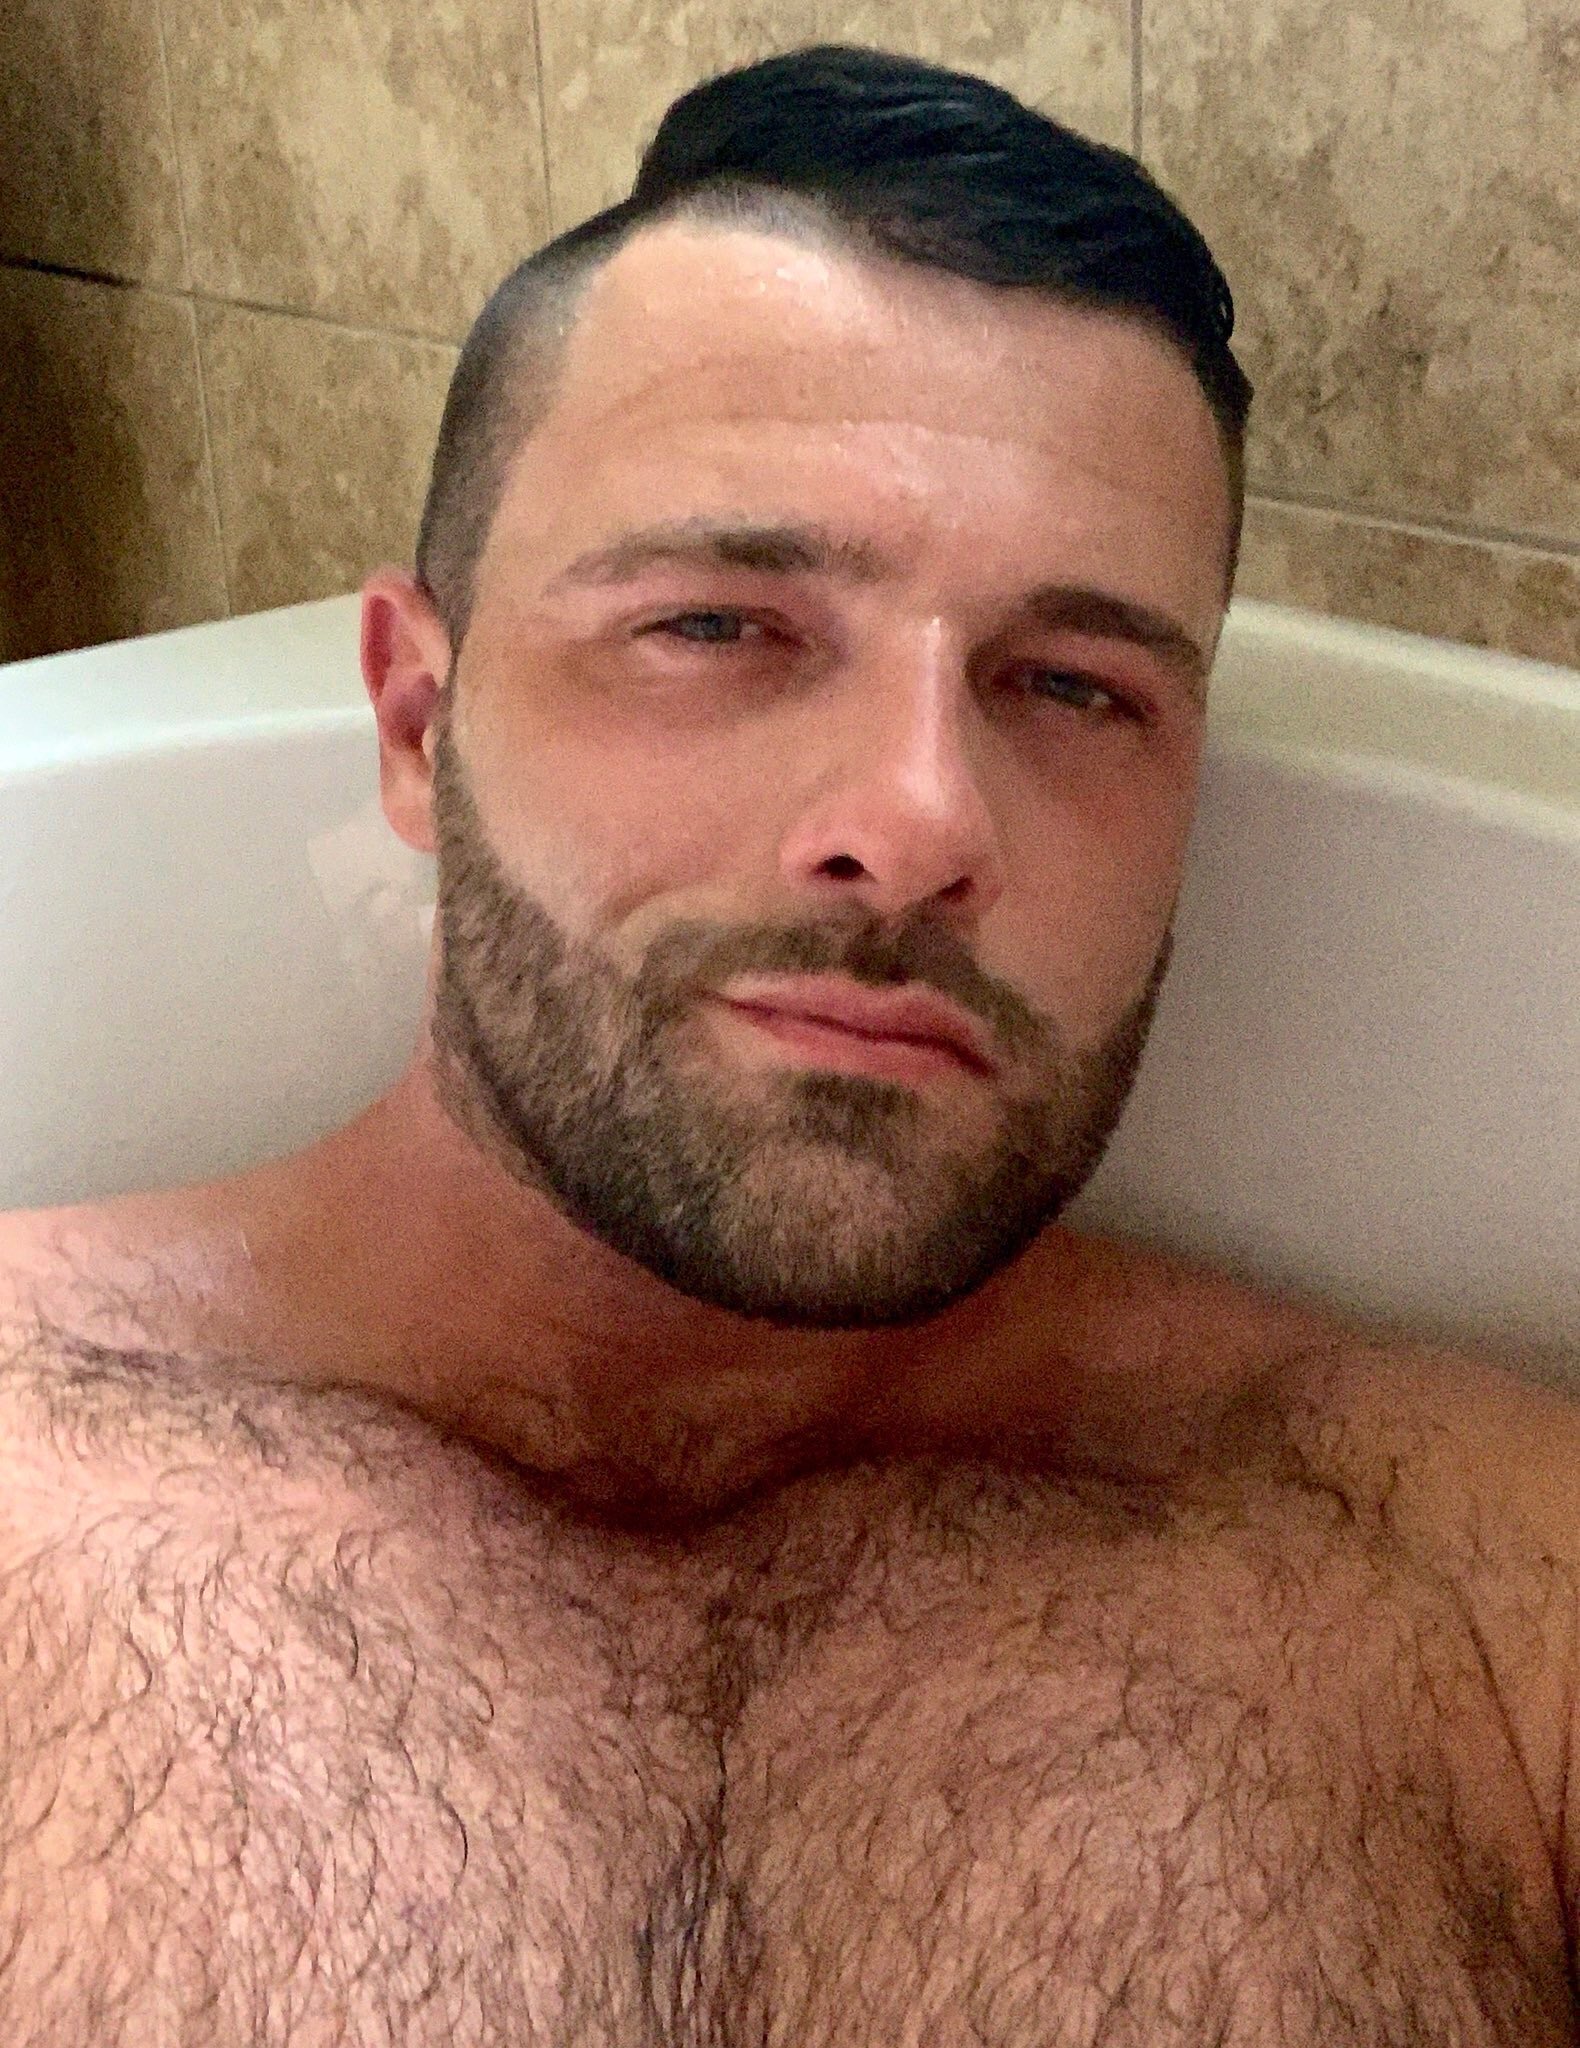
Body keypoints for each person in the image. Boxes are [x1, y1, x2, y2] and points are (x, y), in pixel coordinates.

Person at [0, 42, 1574, 2046]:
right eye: (722, 626)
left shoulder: (1480, 1576)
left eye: (1073, 687)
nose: (919, 823)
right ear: (414, 721)